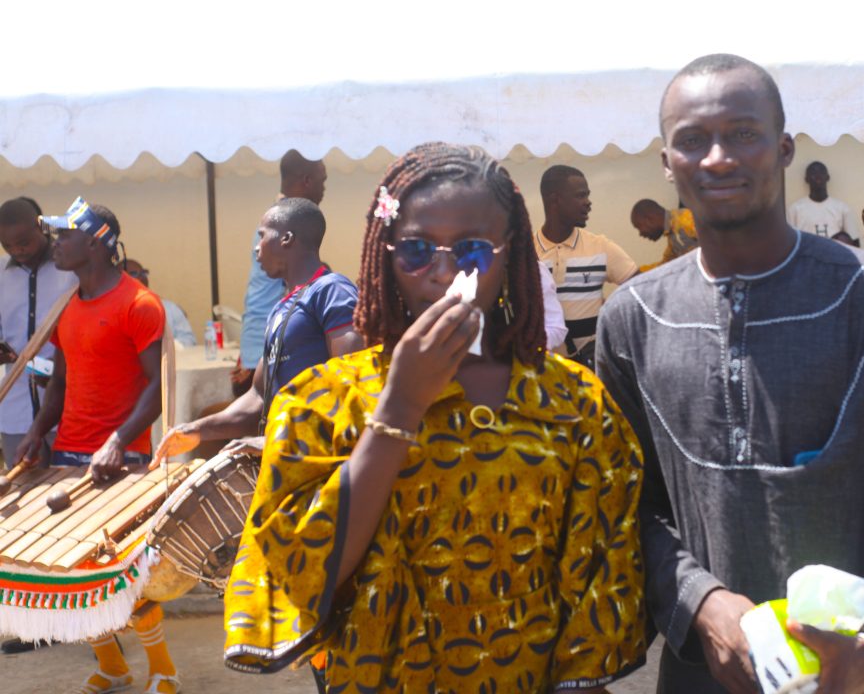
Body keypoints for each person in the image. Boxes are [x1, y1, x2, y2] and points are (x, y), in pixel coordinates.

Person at [596, 54, 864, 693]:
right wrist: (701, 603)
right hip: (709, 674)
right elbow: (629, 506)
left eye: (744, 133)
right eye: (693, 139)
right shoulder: (634, 317)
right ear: (666, 162)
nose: (719, 157)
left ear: (785, 148)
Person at [223, 143, 646, 692]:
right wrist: (399, 406)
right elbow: (298, 570)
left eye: (473, 249)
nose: (444, 273)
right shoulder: (321, 402)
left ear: (511, 253)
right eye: (417, 249)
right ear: (385, 254)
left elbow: (601, 583)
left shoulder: (574, 404)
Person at [13, 197, 180, 694]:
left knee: (121, 576)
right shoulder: (67, 304)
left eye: (65, 234)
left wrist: (119, 441)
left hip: (121, 460)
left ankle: (164, 670)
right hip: (68, 452)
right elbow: (60, 382)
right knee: (73, 575)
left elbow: (158, 388)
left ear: (96, 243)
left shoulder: (139, 304)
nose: (55, 243)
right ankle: (112, 666)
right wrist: (37, 431)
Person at [156, 198, 361, 459]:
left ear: (286, 238)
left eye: (262, 235)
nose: (256, 247)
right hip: (285, 460)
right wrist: (196, 430)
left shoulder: (332, 290)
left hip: (324, 464)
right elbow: (258, 398)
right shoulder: (280, 309)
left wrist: (283, 439)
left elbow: (352, 383)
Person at [237, 150, 328, 389]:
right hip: (268, 346)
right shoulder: (280, 227)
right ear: (307, 180)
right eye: (322, 181)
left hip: (266, 342)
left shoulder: (277, 224)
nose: (324, 189)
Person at [0, 197, 75, 470]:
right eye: (7, 245)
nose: (17, 250)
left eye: (23, 242)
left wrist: (48, 368)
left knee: (68, 486)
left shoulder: (71, 269)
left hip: (64, 409)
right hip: (16, 410)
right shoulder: (0, 275)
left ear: (42, 228)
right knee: (20, 487)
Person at [536, 165, 637, 362]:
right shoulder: (527, 252)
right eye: (581, 196)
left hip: (593, 367)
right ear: (555, 199)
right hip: (544, 369)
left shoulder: (601, 247)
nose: (588, 202)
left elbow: (642, 292)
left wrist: (613, 319)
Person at [123, 259, 196, 347]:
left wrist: (166, 348)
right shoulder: (112, 312)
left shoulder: (170, 308)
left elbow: (189, 339)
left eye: (143, 273)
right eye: (134, 274)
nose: (141, 277)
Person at [787, 160, 859, 243]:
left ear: (828, 177)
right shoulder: (794, 209)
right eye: (813, 173)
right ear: (807, 179)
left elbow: (854, 241)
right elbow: (789, 242)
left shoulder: (842, 208)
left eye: (821, 172)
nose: (818, 176)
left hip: (834, 251)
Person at [630, 198, 699, 271]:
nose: (640, 234)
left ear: (649, 219)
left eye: (639, 227)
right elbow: (666, 264)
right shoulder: (673, 234)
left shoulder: (685, 221)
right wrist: (638, 272)